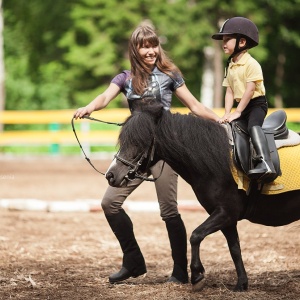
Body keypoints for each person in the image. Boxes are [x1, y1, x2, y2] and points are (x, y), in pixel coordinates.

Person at [74, 24, 220, 285]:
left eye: (154, 45)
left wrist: (220, 120)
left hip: (164, 152)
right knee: (110, 203)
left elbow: (195, 105)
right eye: (145, 46)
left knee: (168, 211)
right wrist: (89, 107)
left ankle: (179, 271)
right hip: (136, 152)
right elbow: (104, 97)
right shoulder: (125, 78)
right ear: (135, 49)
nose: (151, 50)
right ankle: (133, 260)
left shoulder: (170, 74)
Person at [211, 17, 276, 181]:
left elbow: (249, 90)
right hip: (242, 106)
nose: (223, 43)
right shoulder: (231, 65)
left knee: (254, 127)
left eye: (227, 40)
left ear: (242, 42)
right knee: (231, 130)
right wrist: (227, 113)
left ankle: (265, 162)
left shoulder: (252, 64)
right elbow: (230, 92)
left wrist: (237, 111)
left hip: (256, 105)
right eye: (223, 40)